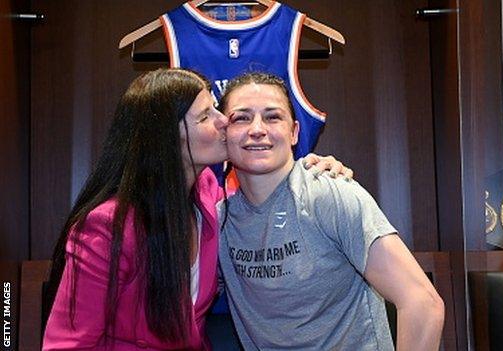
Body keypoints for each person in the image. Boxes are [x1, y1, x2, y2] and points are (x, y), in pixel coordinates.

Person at [42, 68, 349, 350]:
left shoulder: (207, 192)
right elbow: (67, 345)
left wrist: (318, 171)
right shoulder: (108, 226)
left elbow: (265, 195)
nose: (223, 120)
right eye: (205, 116)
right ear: (167, 137)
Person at [218, 72, 445, 351]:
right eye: (241, 118)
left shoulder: (329, 194)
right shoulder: (220, 222)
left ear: (294, 133)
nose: (257, 129)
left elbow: (422, 302)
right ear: (223, 133)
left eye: (272, 117)